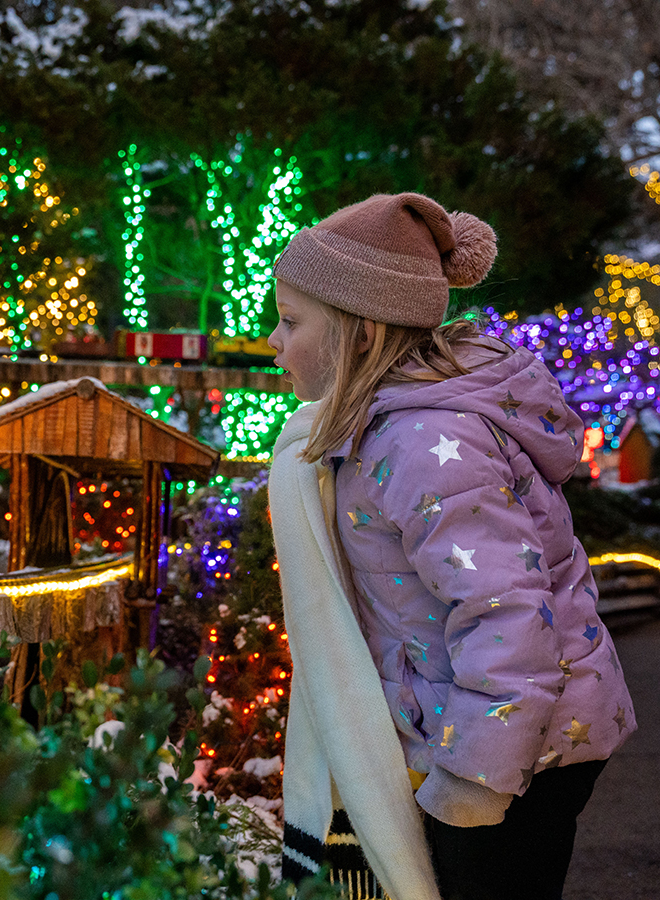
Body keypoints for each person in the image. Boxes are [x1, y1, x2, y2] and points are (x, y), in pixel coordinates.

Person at [264, 192, 636, 900]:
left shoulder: (428, 446)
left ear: (360, 335)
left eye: (290, 322)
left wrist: (474, 780)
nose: (275, 343)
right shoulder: (385, 429)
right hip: (497, 731)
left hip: (521, 752)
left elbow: (508, 616)